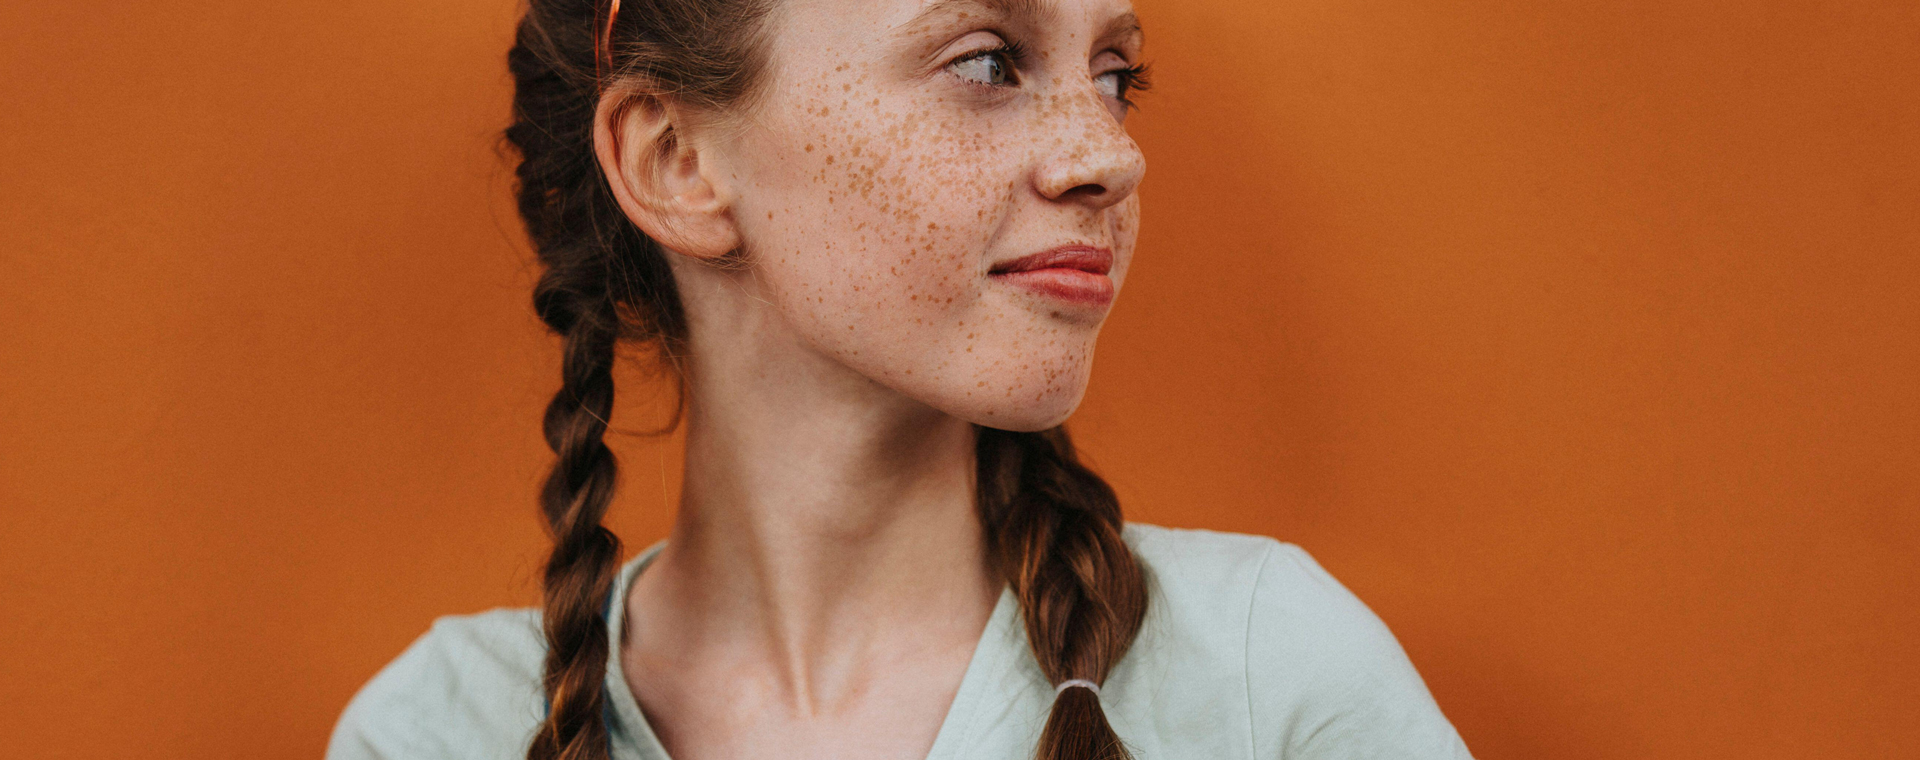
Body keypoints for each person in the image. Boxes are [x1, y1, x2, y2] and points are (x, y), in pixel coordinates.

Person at [326, 0, 1474, 758]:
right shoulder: (436, 734)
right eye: (987, 62)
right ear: (676, 162)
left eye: (1116, 74)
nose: (1112, 153)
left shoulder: (1271, 678)